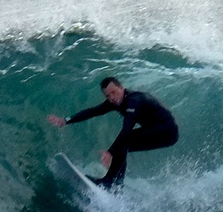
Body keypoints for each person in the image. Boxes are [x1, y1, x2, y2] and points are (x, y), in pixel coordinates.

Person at [47, 76, 179, 188]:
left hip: (168, 131)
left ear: (121, 87)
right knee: (123, 146)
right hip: (158, 131)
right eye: (107, 95)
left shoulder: (134, 100)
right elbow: (93, 112)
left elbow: (127, 129)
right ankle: (117, 185)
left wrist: (110, 152)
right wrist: (65, 120)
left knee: (125, 141)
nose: (112, 98)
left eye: (114, 92)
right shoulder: (115, 102)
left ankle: (108, 182)